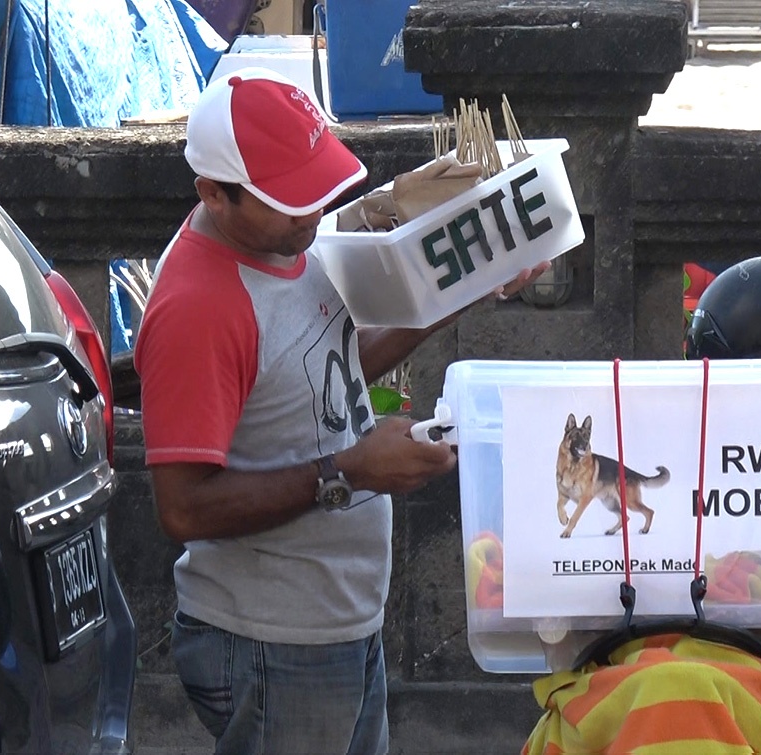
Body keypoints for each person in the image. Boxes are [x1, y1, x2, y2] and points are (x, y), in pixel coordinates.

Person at [134, 67, 545, 755]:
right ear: (214, 193)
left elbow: (331, 369)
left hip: (338, 624)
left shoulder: (285, 242)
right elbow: (183, 509)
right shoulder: (199, 307)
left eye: (316, 189)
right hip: (271, 644)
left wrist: (468, 286)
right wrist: (348, 471)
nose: (312, 214)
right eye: (288, 199)